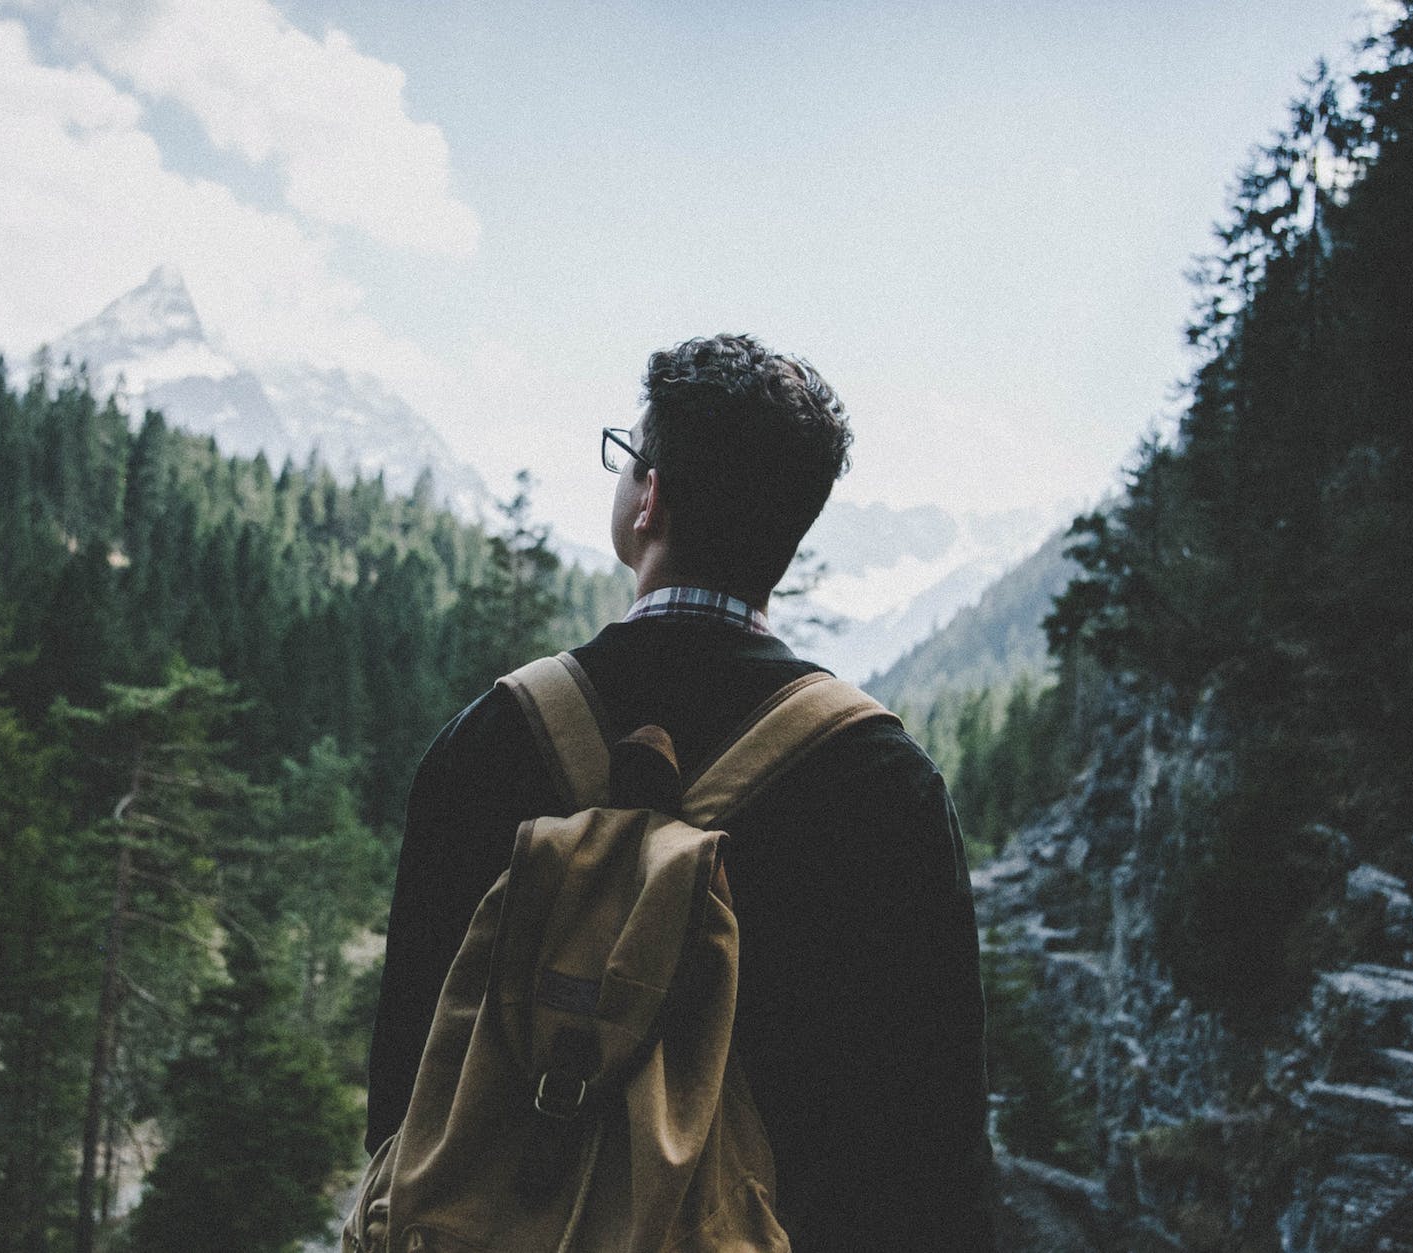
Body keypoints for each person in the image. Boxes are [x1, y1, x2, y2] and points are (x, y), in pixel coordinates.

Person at [364, 333, 997, 1250]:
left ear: (648, 497)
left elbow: (402, 1090)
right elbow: (933, 1147)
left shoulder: (490, 741)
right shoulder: (883, 785)